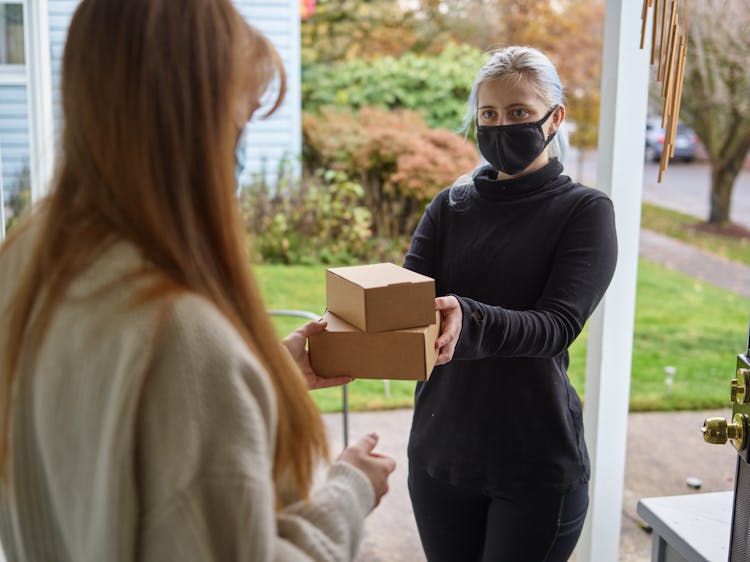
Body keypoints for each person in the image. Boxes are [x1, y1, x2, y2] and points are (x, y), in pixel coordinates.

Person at [0, 1, 395, 560]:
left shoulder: (25, 262)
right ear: (189, 125)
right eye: (240, 124)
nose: (241, 154)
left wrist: (263, 376)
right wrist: (349, 492)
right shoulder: (181, 335)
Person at [404, 46, 618, 562]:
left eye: (520, 113)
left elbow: (557, 325)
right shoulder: (450, 205)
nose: (502, 127)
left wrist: (468, 315)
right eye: (489, 115)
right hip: (439, 458)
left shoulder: (585, 212)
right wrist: (356, 317)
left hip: (533, 467)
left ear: (554, 118)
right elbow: (407, 298)